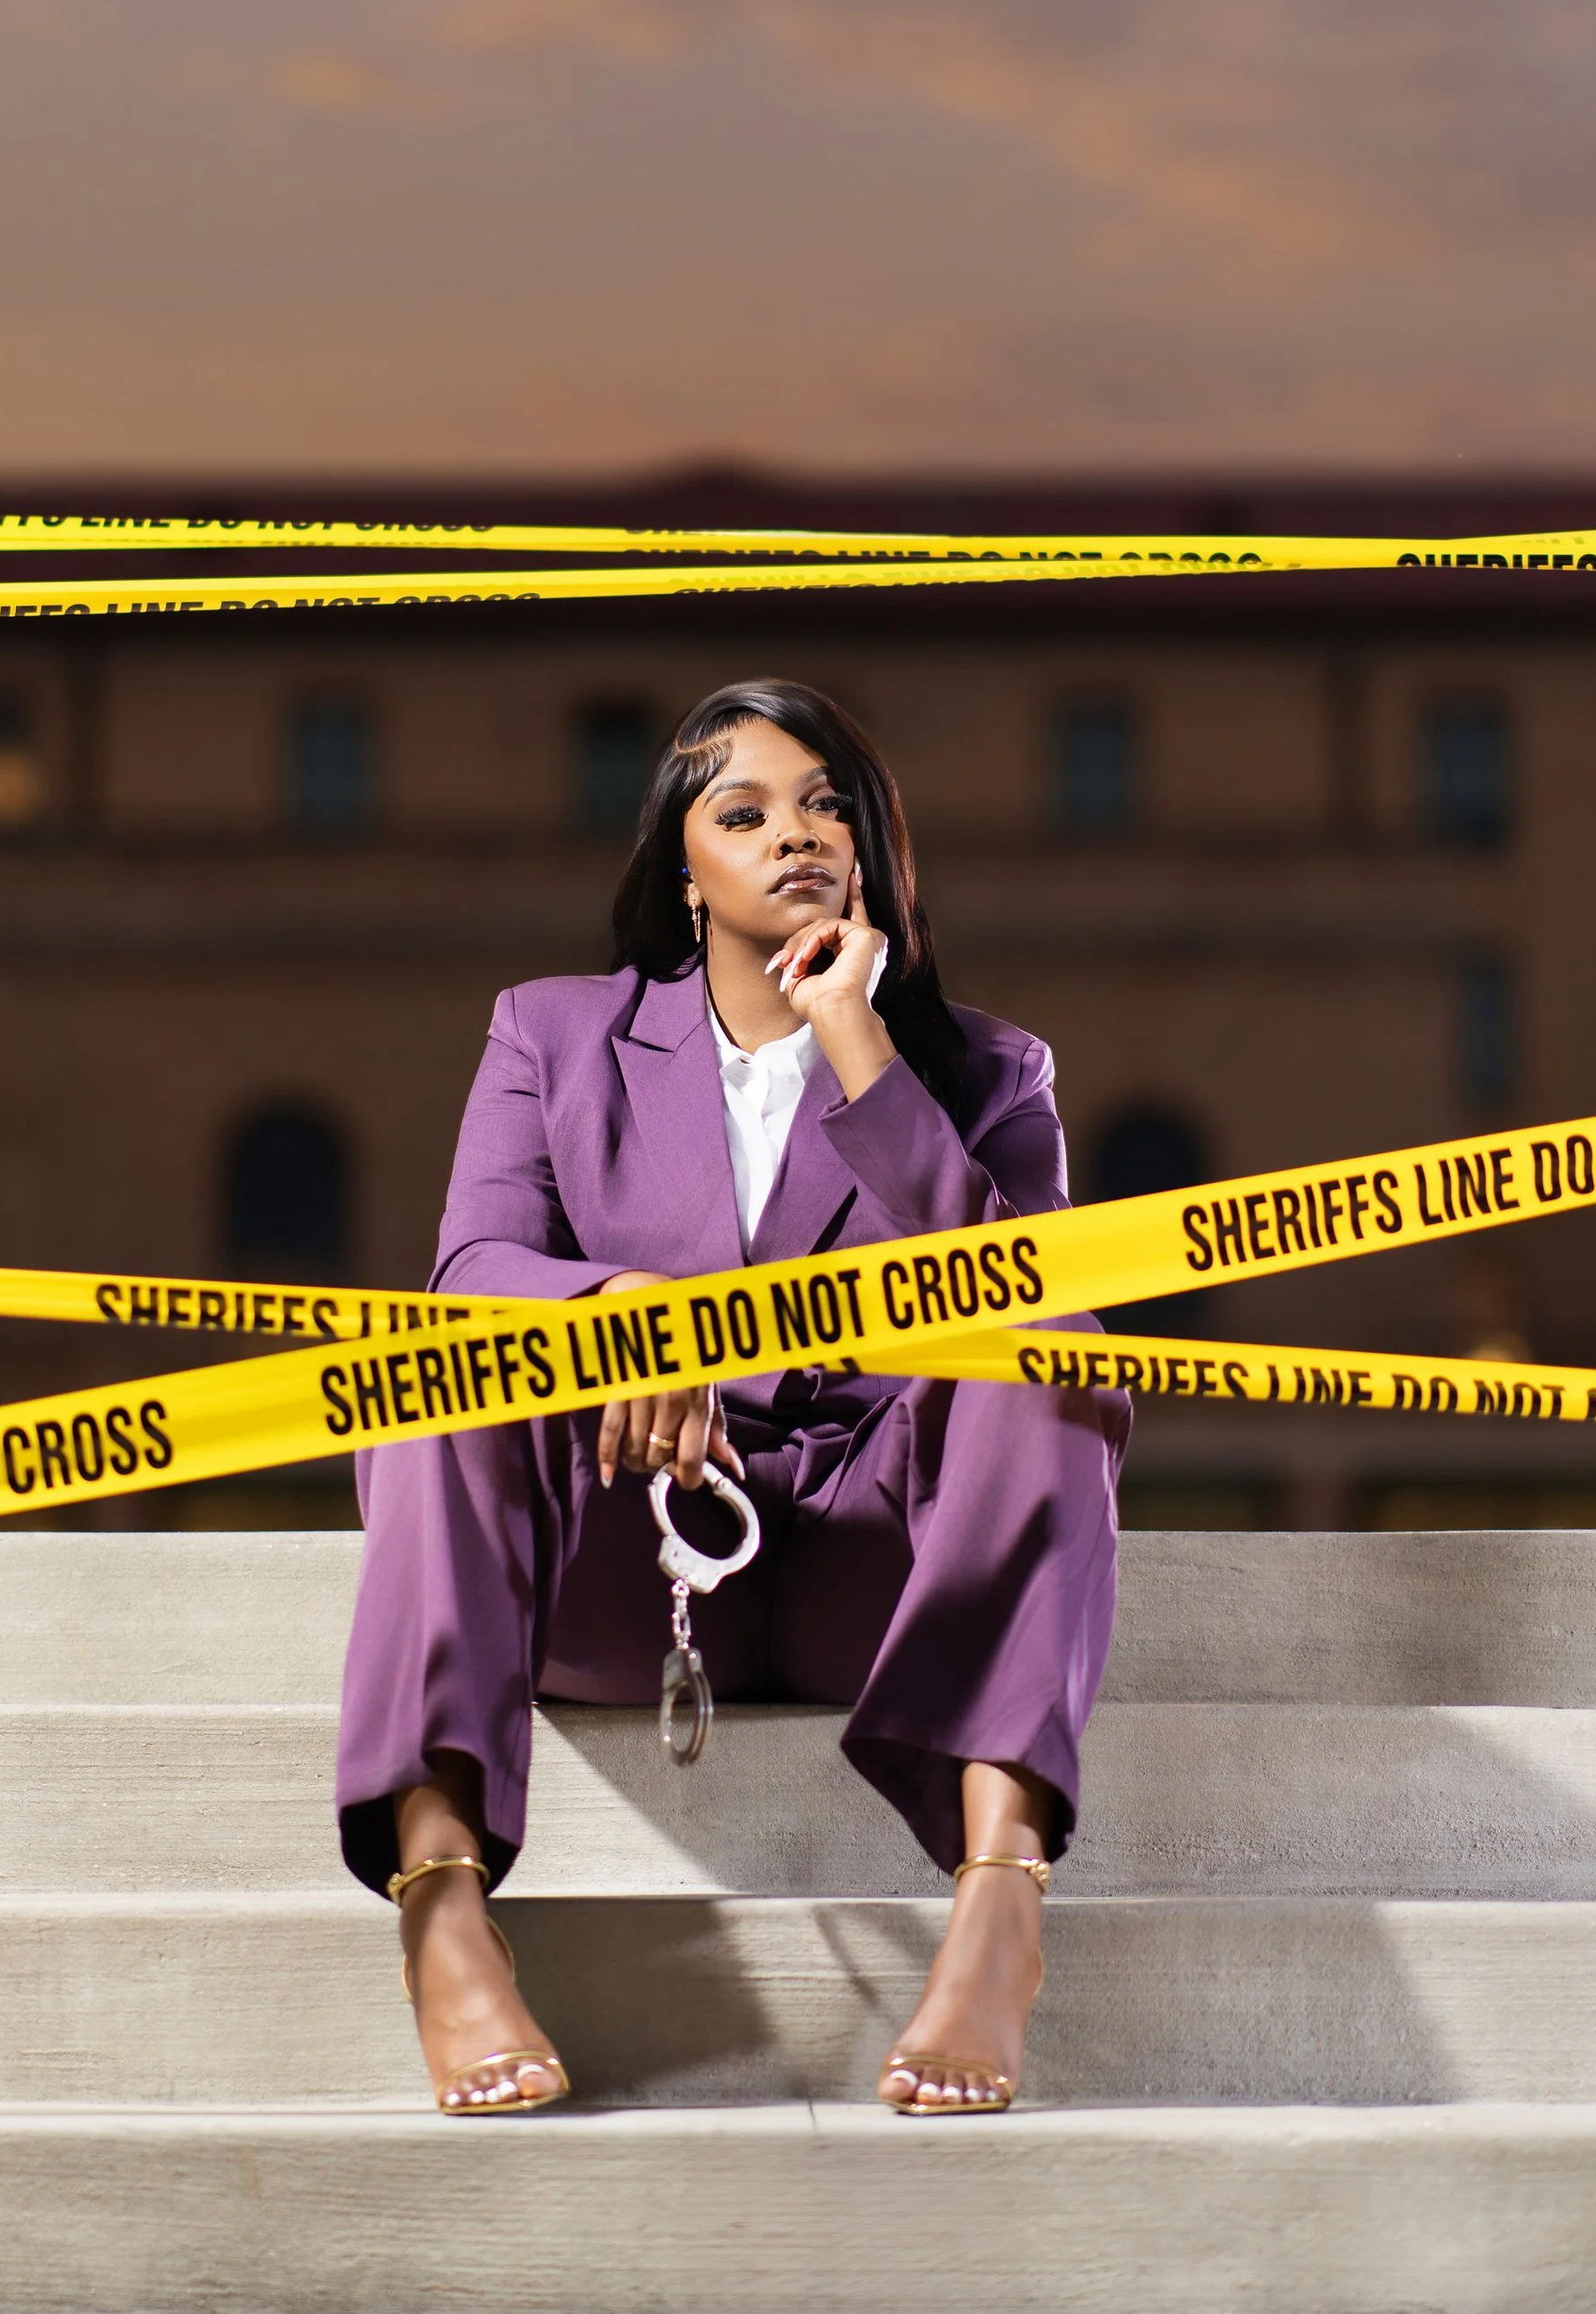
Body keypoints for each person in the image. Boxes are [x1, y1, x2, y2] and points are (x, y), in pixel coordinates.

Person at [335, 680, 1127, 2116]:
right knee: (428, 1366)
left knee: (1052, 1343)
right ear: (682, 868)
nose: (798, 834)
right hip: (631, 1553)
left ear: (877, 853)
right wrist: (623, 1315)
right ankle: (443, 1913)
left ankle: (1001, 1905)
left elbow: (1013, 1288)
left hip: (873, 1569)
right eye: (744, 810)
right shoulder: (551, 1036)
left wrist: (859, 1047)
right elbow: (474, 1263)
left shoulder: (993, 1072)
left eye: (831, 805)